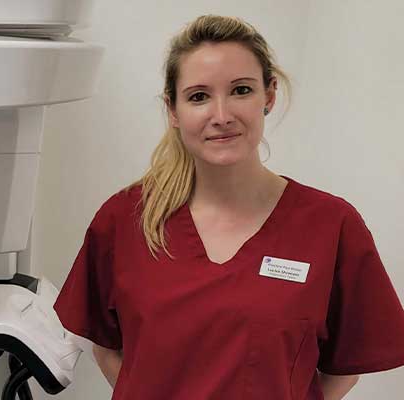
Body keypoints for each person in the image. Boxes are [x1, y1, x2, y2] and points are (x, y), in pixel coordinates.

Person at [52, 14, 404, 400]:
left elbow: (343, 370)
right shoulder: (126, 219)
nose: (221, 116)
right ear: (173, 110)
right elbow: (106, 347)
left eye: (240, 90)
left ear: (268, 95)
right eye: (199, 96)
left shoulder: (331, 225)